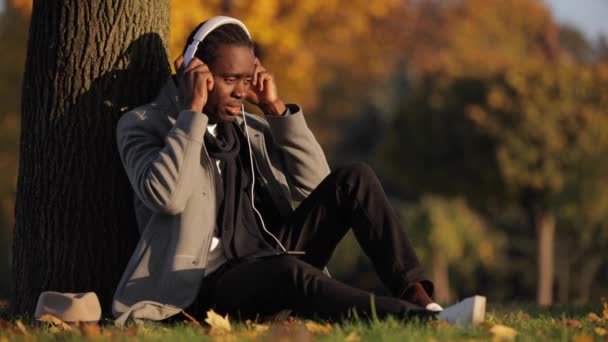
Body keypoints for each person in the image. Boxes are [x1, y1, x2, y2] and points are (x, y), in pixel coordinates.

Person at [112, 16, 485, 326]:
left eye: (246, 79)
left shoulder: (250, 129)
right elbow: (168, 197)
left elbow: (314, 186)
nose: (242, 93)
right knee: (288, 272)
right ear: (195, 73)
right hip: (206, 284)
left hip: (270, 253)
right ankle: (425, 322)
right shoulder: (145, 126)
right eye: (230, 80)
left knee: (355, 177)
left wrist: (275, 110)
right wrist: (192, 114)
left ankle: (420, 300)